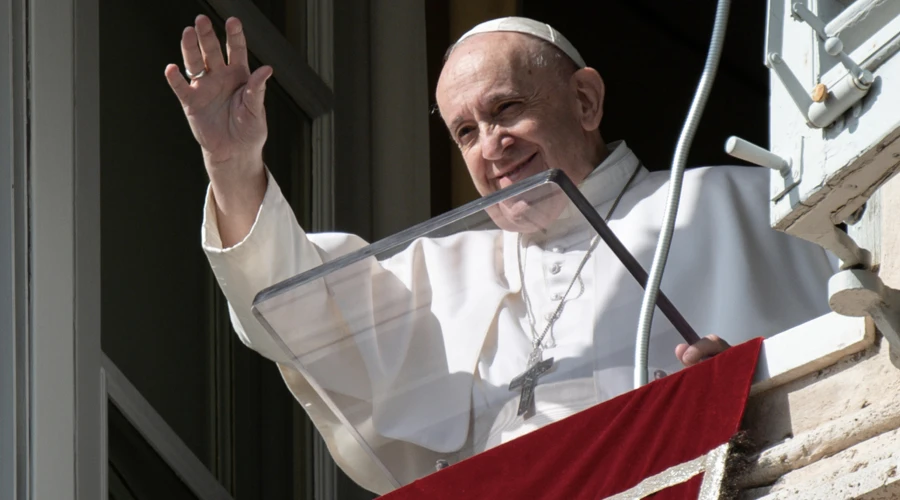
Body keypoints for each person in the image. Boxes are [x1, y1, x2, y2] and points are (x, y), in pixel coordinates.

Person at [165, 15, 835, 494]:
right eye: (465, 131)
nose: (491, 145)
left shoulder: (741, 203)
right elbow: (291, 309)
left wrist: (762, 387)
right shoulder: (446, 272)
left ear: (585, 100)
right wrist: (234, 164)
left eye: (506, 109)